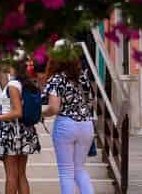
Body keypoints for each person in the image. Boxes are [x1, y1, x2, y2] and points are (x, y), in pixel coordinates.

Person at [0, 52, 40, 194]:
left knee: (11, 176)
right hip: (25, 131)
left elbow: (17, 112)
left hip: (12, 131)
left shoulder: (13, 84)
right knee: (21, 175)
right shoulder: (27, 84)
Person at [42, 40, 95, 194]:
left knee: (66, 172)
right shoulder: (82, 77)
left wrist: (42, 114)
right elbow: (91, 100)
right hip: (86, 124)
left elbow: (53, 107)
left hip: (66, 124)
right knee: (79, 169)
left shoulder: (57, 79)